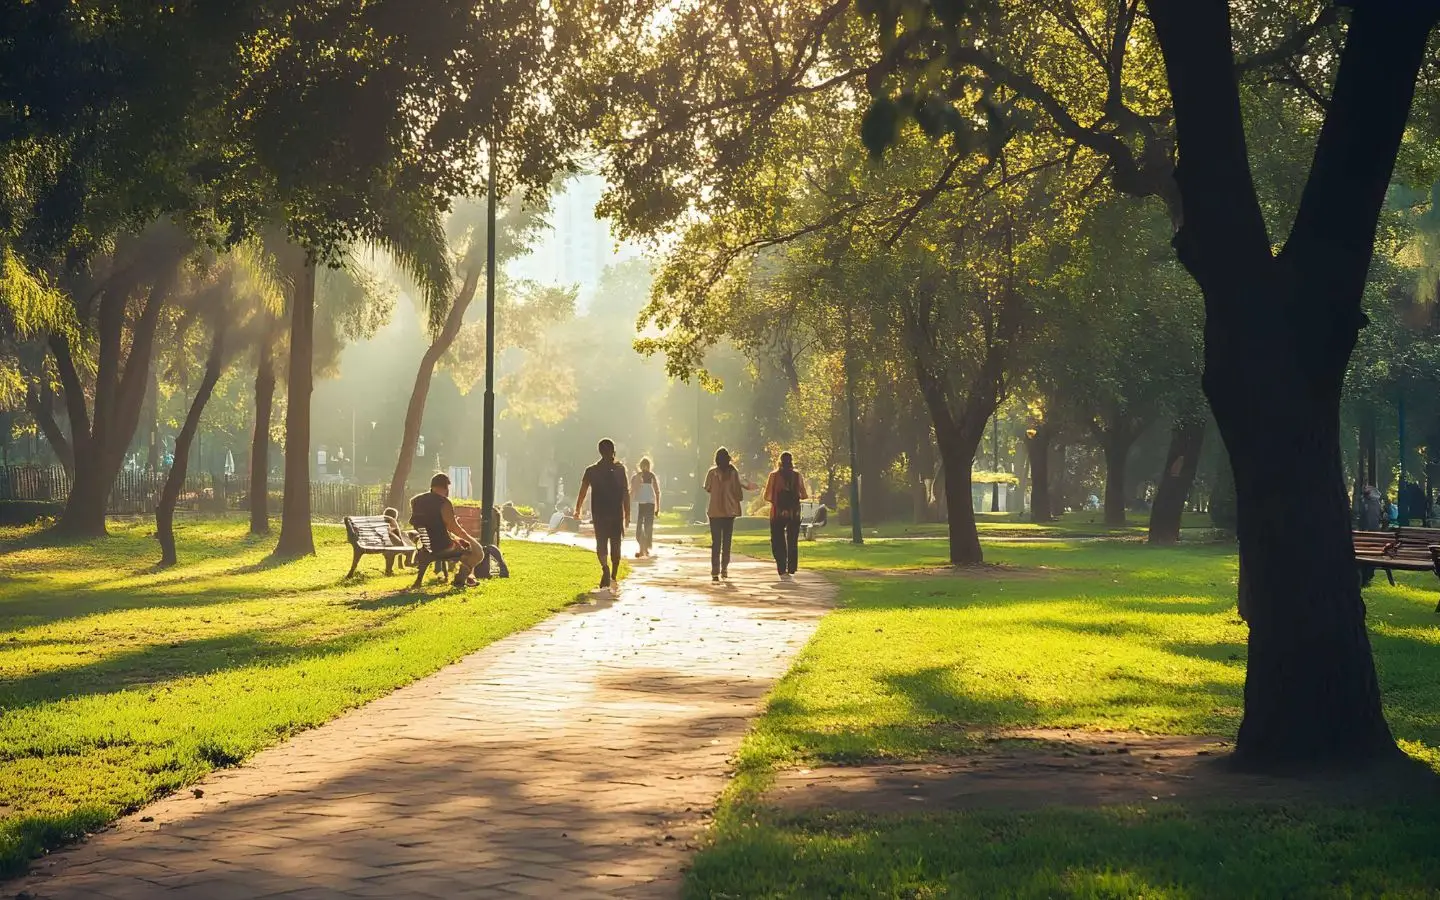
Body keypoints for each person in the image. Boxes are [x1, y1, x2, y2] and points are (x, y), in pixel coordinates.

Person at [409, 472, 485, 587]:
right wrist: (469, 539)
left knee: (463, 545)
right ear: (446, 487)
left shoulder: (416, 501)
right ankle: (461, 579)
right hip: (442, 546)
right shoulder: (444, 502)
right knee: (477, 552)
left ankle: (468, 577)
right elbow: (453, 527)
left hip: (426, 545)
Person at [574, 439, 630, 595]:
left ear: (599, 451)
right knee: (616, 543)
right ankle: (613, 574)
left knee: (601, 542)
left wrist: (577, 509)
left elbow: (582, 491)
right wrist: (628, 513)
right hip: (616, 512)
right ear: (613, 451)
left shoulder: (591, 471)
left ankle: (605, 568)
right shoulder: (620, 470)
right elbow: (625, 492)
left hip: (599, 513)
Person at [704, 447, 756, 582]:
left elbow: (708, 488)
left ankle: (715, 569)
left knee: (716, 542)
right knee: (726, 541)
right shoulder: (733, 473)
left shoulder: (712, 472)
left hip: (715, 511)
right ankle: (724, 568)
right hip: (729, 511)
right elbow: (738, 492)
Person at [764, 451, 809, 581]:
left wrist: (778, 500)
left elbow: (767, 496)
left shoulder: (773, 476)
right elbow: (804, 495)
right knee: (792, 540)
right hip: (794, 513)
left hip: (777, 513)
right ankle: (792, 567)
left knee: (777, 540)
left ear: (779, 461)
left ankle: (781, 567)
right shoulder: (797, 476)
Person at [630, 457, 661, 558]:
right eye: (643, 465)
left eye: (646, 466)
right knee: (640, 526)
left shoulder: (652, 476)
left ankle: (646, 548)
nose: (644, 468)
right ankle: (642, 548)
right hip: (641, 503)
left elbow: (657, 491)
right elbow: (633, 489)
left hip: (649, 503)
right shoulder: (638, 476)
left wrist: (658, 507)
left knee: (648, 526)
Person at [1358, 483, 1381, 587]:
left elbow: (1365, 518)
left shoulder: (1367, 503)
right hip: (1373, 532)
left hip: (1368, 533)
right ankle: (1367, 576)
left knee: (1366, 554)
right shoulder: (1376, 503)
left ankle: (1366, 576)